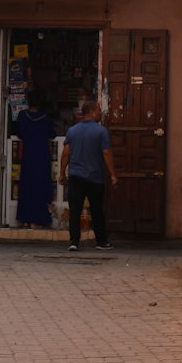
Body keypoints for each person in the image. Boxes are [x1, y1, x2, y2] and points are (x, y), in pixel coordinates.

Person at [59, 98, 117, 251]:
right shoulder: (101, 131)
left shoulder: (72, 130)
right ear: (91, 112)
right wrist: (112, 174)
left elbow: (66, 153)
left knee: (75, 210)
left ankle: (74, 241)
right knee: (97, 209)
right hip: (95, 177)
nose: (100, 113)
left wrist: (62, 173)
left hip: (76, 176)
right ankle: (101, 241)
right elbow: (106, 153)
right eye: (98, 110)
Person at [11, 90, 55, 228]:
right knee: (41, 187)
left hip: (28, 155)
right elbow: (52, 134)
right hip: (42, 156)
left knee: (27, 186)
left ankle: (26, 219)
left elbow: (18, 132)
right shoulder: (46, 118)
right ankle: (38, 219)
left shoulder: (23, 116)